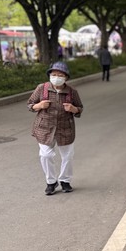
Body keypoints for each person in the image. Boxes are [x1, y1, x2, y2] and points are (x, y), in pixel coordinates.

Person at [26, 62, 84, 195]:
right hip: (44, 128)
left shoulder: (72, 92)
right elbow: (30, 104)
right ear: (49, 75)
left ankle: (65, 180)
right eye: (54, 74)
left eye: (60, 75)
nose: (56, 77)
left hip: (65, 128)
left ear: (66, 77)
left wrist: (73, 109)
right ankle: (51, 182)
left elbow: (80, 108)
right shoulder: (42, 88)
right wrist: (39, 105)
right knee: (45, 155)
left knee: (68, 156)